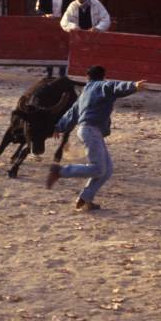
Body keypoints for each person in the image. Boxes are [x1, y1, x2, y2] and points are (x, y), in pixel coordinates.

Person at [46, 65, 145, 211]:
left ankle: (85, 199)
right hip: (91, 131)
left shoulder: (85, 91)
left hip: (89, 131)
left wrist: (59, 127)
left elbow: (73, 112)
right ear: (104, 76)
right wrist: (133, 86)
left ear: (88, 77)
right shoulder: (102, 85)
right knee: (98, 168)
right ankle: (60, 171)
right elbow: (115, 87)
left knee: (107, 169)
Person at [35, 0, 72, 77]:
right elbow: (38, 9)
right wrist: (46, 15)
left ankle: (62, 72)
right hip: (49, 24)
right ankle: (49, 72)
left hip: (63, 23)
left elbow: (72, 8)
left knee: (63, 47)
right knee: (49, 47)